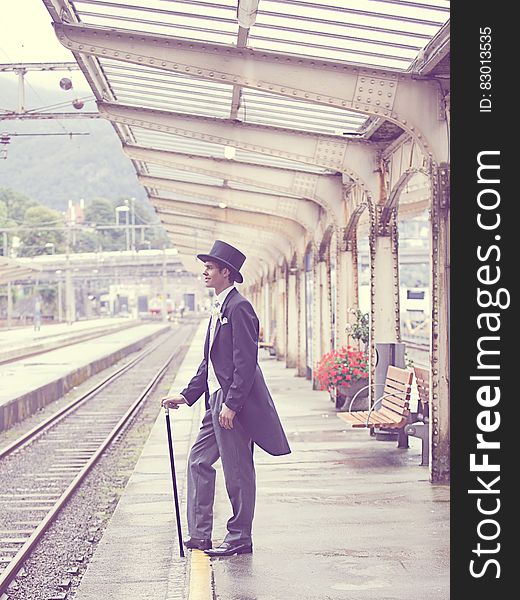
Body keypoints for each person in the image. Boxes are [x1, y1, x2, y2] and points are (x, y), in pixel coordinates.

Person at [161, 240, 290, 557]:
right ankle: (200, 534)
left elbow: (246, 363)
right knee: (198, 461)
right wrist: (186, 395)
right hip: (214, 401)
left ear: (225, 272)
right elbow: (210, 362)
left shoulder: (239, 308)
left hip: (231, 404)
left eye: (209, 268)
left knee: (237, 471)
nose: (204, 272)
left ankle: (240, 537)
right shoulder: (219, 307)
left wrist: (232, 405)